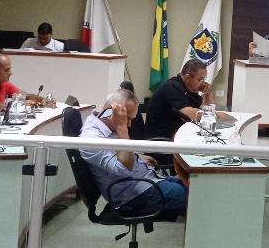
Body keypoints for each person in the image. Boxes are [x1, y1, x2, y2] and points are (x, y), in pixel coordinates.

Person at [79, 88, 188, 219]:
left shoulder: (103, 122)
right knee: (194, 197)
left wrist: (138, 156)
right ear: (111, 113)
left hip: (147, 179)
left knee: (192, 184)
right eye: (128, 119)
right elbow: (123, 169)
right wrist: (122, 129)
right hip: (133, 195)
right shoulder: (92, 139)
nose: (129, 125)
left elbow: (117, 152)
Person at [143, 59, 230, 140]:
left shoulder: (188, 88)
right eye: (200, 79)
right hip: (160, 142)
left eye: (204, 79)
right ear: (187, 77)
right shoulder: (172, 87)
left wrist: (208, 93)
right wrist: (216, 115)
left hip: (176, 135)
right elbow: (191, 114)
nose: (203, 83)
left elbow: (205, 109)